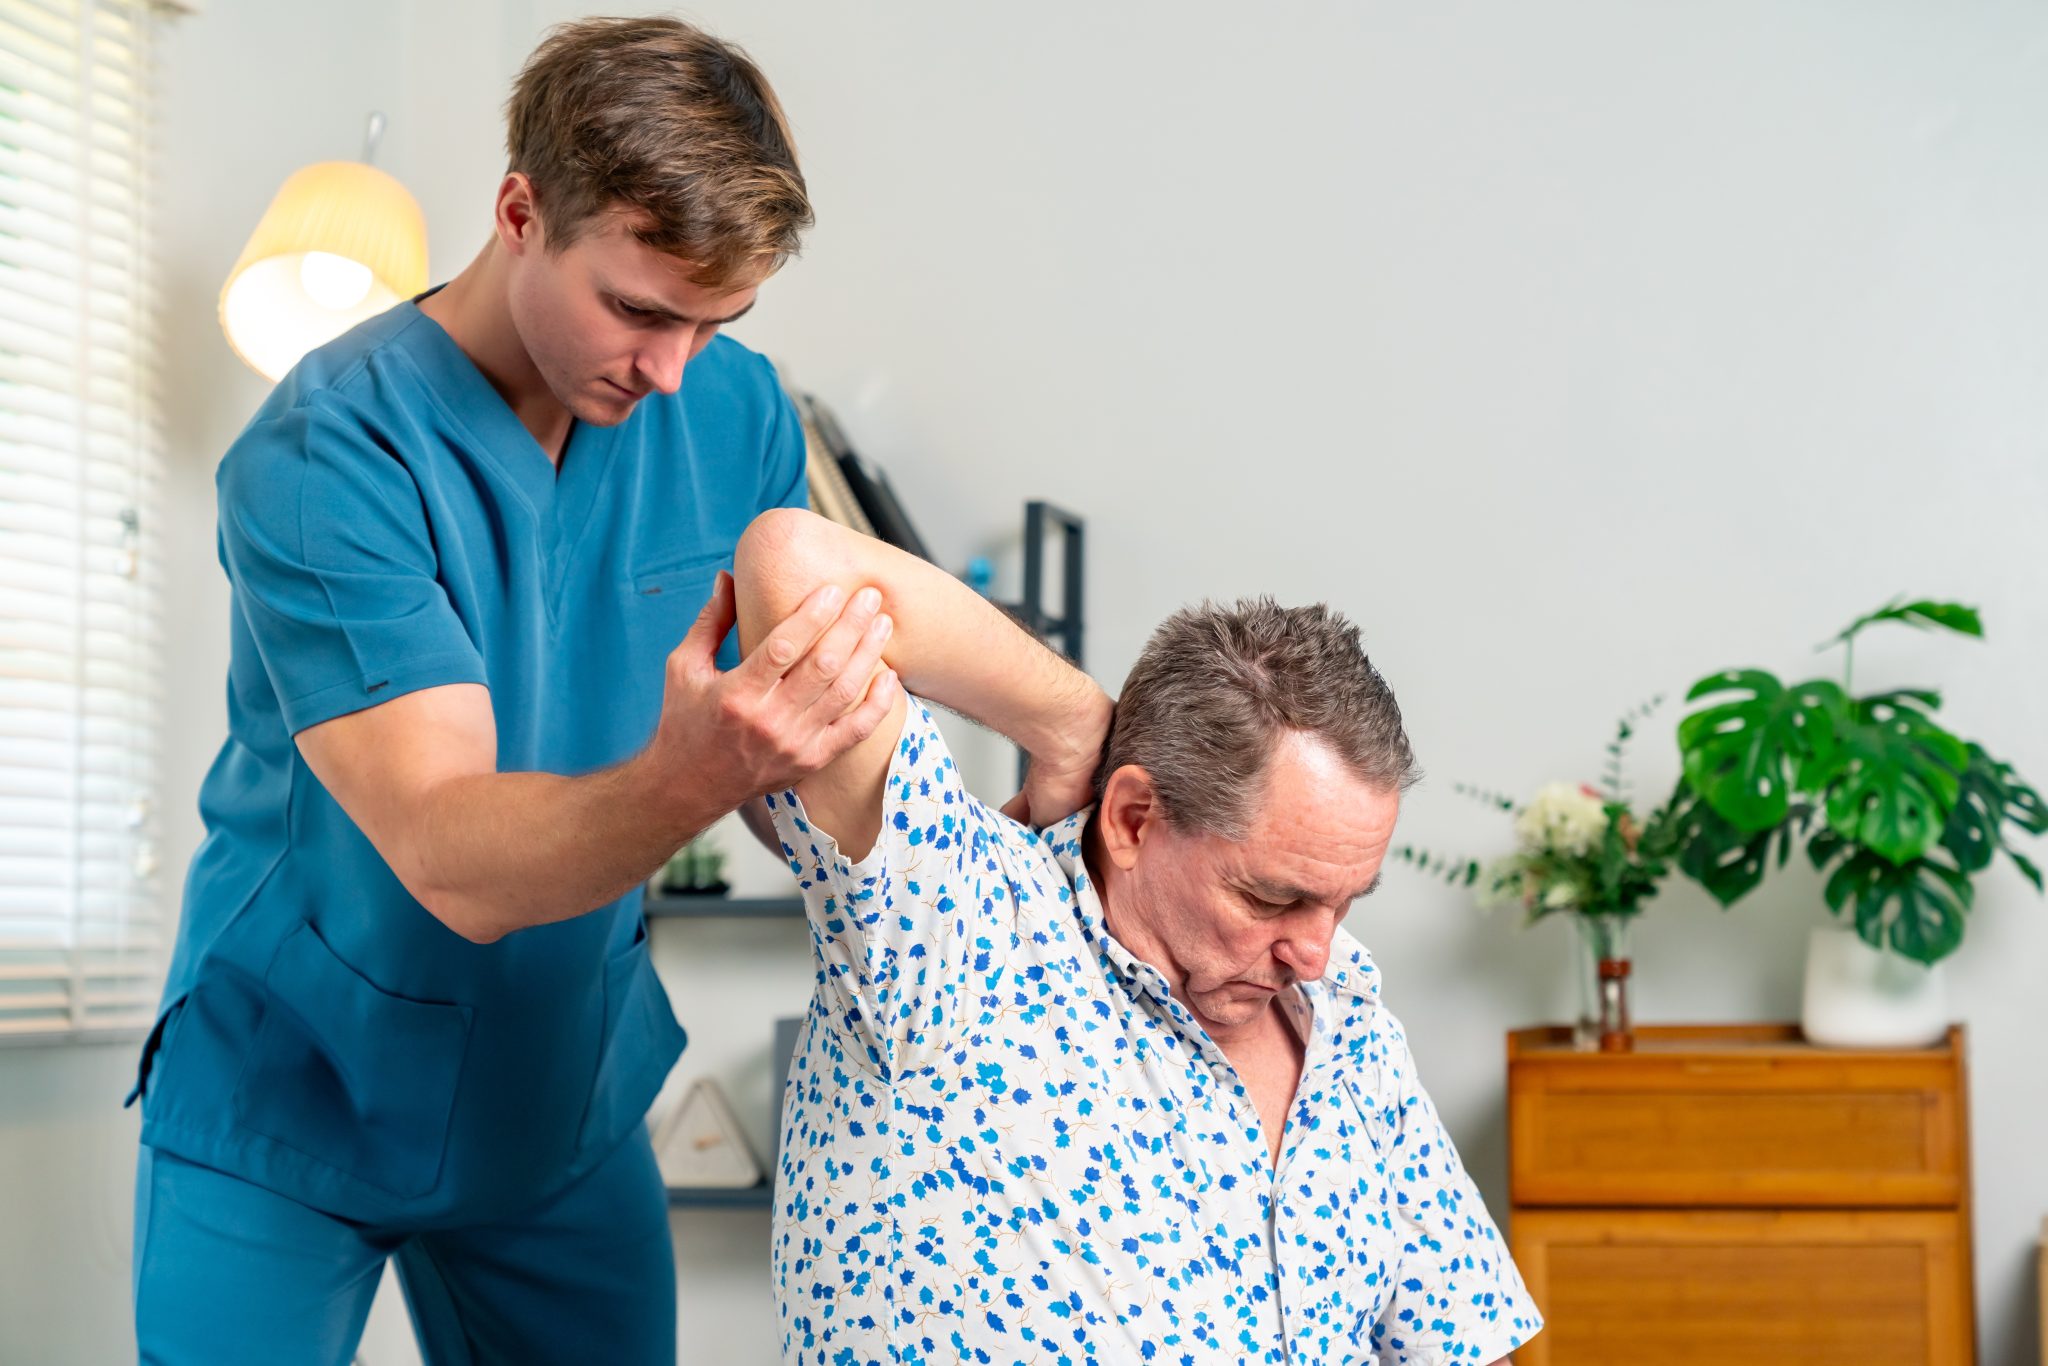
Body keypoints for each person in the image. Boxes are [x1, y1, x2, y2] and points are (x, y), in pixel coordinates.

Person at [129, 18, 906, 1365]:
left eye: (717, 321)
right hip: (293, 1080)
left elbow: (821, 719)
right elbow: (455, 851)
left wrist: (1042, 757)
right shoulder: (329, 450)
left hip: (555, 1091)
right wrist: (704, 768)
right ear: (518, 211)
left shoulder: (734, 411)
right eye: (642, 311)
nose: (673, 370)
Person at [735, 508, 1544, 1366]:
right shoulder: (957, 929)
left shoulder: (1347, 1018)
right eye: (1272, 898)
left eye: (1344, 904)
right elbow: (795, 563)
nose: (1314, 950)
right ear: (1132, 817)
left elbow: (1468, 1340)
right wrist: (1073, 720)